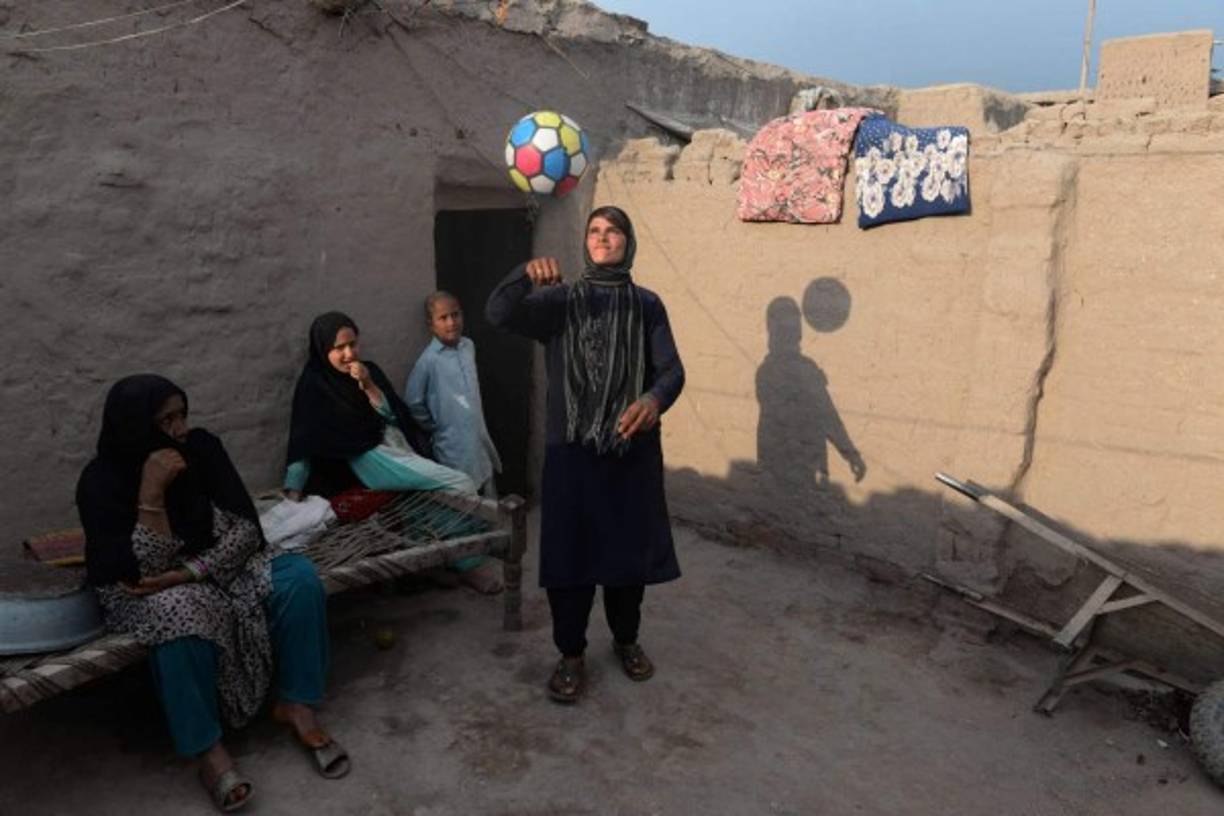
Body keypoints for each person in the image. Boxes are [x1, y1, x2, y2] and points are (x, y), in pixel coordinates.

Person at [76, 375, 346, 814]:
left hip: (212, 565)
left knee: (297, 577)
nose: (180, 430)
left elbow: (245, 530)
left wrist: (192, 570)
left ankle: (297, 703)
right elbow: (143, 572)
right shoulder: (101, 481)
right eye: (166, 421)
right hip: (140, 591)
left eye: (183, 415)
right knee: (176, 612)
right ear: (134, 426)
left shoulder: (200, 449)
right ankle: (207, 749)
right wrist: (151, 492)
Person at [485, 205, 684, 703]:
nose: (603, 238)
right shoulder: (559, 302)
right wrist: (522, 275)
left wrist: (652, 400)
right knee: (570, 560)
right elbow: (498, 313)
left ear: (628, 242)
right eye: (594, 230)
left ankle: (626, 639)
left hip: (630, 452)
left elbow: (672, 371)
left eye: (613, 231)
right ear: (586, 242)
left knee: (626, 558)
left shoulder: (647, 305)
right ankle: (570, 654)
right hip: (570, 451)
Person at [283, 311, 476, 501]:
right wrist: (293, 492)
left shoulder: (369, 370)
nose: (349, 354)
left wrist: (368, 384)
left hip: (394, 446)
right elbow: (303, 442)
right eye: (339, 347)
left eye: (352, 344)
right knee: (461, 483)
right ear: (323, 350)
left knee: (449, 487)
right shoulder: (315, 385)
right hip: (369, 459)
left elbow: (392, 416)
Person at [405, 291, 504, 594]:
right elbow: (413, 401)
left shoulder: (468, 347)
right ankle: (467, 565)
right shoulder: (428, 361)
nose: (451, 322)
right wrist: (434, 426)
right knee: (460, 500)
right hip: (450, 441)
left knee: (483, 486)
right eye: (443, 317)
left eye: (456, 314)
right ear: (430, 323)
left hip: (477, 433)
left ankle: (485, 542)